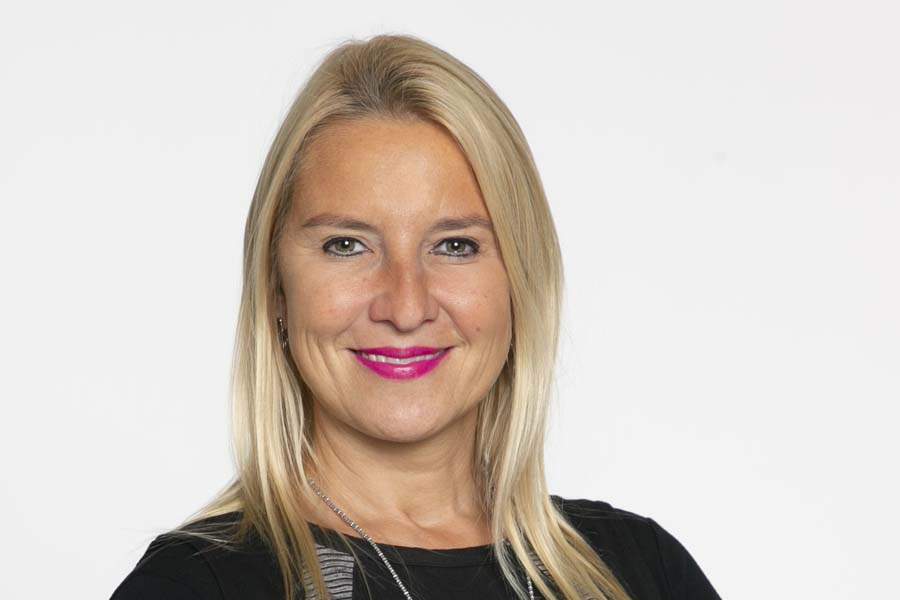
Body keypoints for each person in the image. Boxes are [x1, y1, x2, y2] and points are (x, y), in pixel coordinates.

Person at [110, 33, 721, 600]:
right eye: (347, 245)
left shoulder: (641, 571)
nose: (405, 307)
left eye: (455, 245)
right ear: (276, 286)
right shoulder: (196, 585)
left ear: (521, 280)